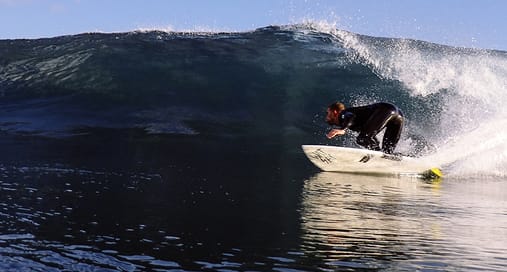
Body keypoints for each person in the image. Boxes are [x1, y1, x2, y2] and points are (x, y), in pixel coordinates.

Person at [325, 102, 404, 154]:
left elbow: (351, 117)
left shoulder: (343, 114)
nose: (326, 117)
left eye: (328, 113)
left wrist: (342, 129)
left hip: (386, 110)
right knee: (387, 152)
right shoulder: (355, 119)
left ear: (335, 112)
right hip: (398, 115)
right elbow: (370, 137)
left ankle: (378, 155)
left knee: (362, 139)